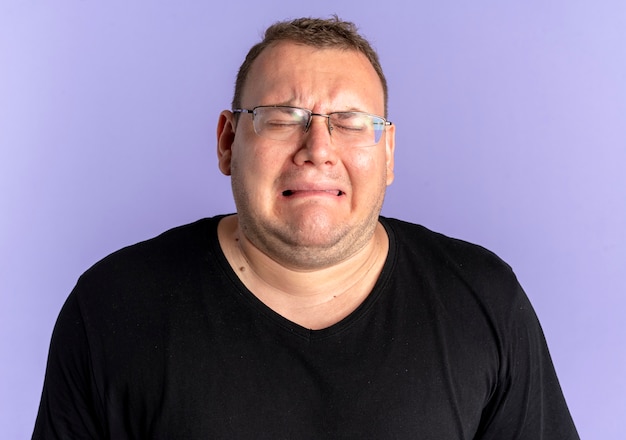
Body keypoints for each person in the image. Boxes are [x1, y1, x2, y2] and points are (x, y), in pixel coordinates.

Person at [33, 16, 579, 439]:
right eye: (280, 118)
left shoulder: (482, 300)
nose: (317, 150)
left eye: (351, 123)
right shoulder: (112, 306)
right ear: (227, 141)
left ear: (387, 152)